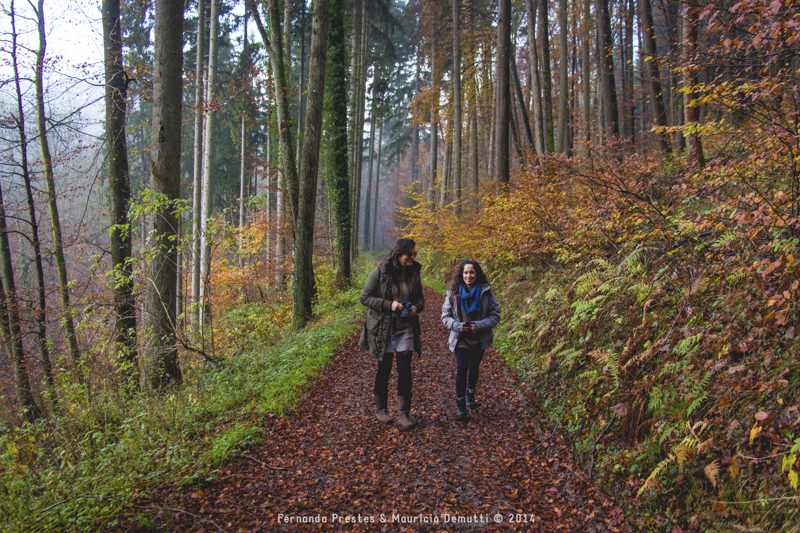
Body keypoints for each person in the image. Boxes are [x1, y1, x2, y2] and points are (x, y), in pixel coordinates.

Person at [359, 238, 424, 430]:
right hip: (384, 329)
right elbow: (365, 297)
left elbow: (420, 298)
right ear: (398, 254)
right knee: (384, 369)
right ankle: (381, 410)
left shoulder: (414, 273)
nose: (412, 257)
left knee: (405, 370)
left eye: (414, 254)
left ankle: (404, 414)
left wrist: (415, 307)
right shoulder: (381, 272)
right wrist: (389, 305)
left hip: (406, 329)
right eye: (409, 254)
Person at [441, 259, 500, 420]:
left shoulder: (485, 291)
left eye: (471, 272)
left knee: (474, 367)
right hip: (461, 338)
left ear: (477, 273)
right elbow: (445, 317)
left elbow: (495, 315)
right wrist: (459, 326)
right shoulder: (453, 293)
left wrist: (479, 325)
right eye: (466, 272)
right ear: (461, 274)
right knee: (462, 368)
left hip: (480, 338)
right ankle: (460, 405)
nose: (468, 275)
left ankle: (470, 395)